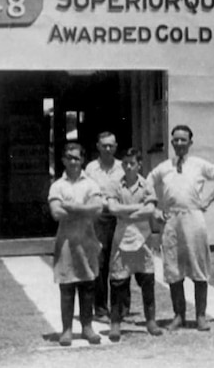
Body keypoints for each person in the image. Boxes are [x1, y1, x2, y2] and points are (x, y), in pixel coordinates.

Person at [146, 124, 214, 331]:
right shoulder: (164, 166)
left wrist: (208, 200)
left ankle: (201, 316)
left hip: (194, 218)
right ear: (172, 142)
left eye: (183, 140)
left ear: (190, 143)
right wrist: (155, 210)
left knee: (198, 267)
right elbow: (147, 182)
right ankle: (178, 315)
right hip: (171, 219)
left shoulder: (199, 164)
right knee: (173, 268)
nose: (179, 143)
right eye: (176, 139)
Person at [47, 142, 105, 346]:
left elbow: (98, 209)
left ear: (83, 160)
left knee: (88, 285)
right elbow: (56, 213)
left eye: (77, 158)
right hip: (66, 243)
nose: (73, 161)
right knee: (67, 286)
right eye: (69, 157)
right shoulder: (57, 186)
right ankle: (67, 330)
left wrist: (70, 206)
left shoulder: (90, 184)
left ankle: (87, 327)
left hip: (87, 240)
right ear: (63, 160)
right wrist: (83, 209)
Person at [104, 148, 163, 341]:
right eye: (125, 163)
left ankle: (151, 321)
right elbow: (112, 208)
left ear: (139, 165)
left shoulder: (146, 185)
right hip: (122, 237)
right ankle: (115, 323)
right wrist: (139, 208)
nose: (128, 167)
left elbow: (150, 210)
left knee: (147, 280)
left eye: (132, 163)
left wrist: (127, 212)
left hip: (142, 237)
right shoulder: (115, 185)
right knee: (118, 282)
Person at [84, 131, 125, 321]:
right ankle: (100, 309)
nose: (108, 149)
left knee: (121, 260)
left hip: (119, 217)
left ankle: (121, 308)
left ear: (116, 147)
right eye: (104, 145)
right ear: (98, 147)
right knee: (99, 262)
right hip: (99, 218)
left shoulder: (123, 168)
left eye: (111, 145)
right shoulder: (91, 169)